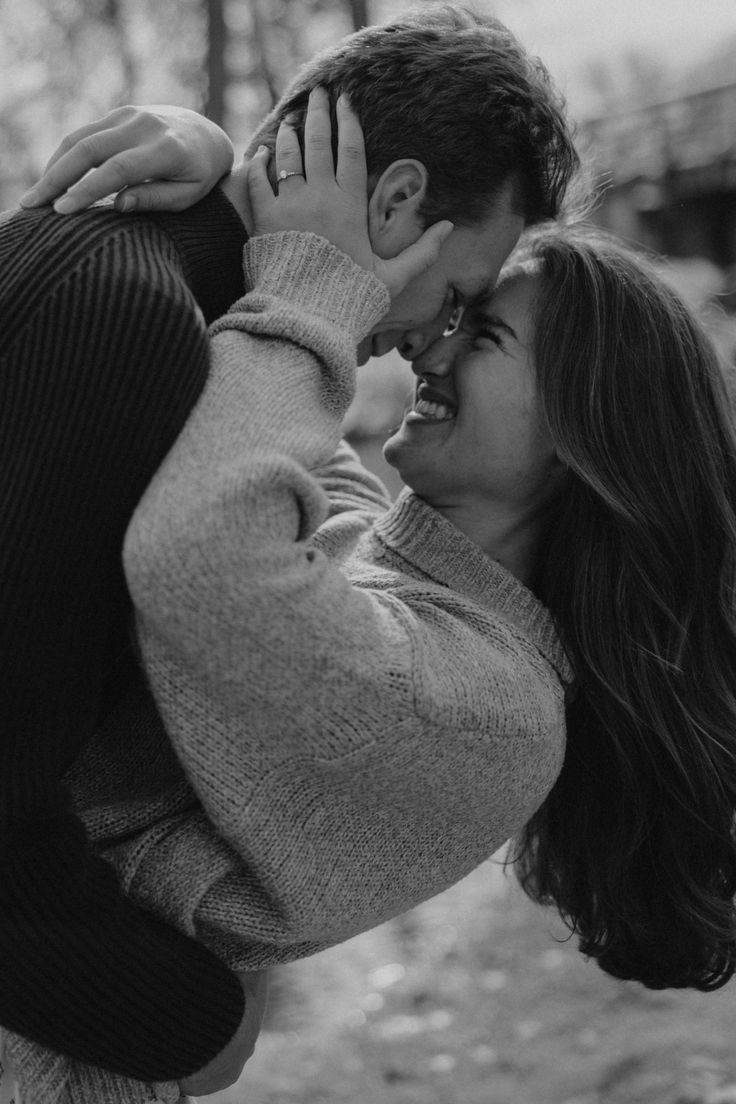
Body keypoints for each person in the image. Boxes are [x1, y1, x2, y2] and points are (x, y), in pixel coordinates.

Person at [10, 90, 736, 1104]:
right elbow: (265, 389)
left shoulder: (493, 710)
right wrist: (228, 178)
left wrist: (309, 280)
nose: (424, 347)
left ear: (589, 437)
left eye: (480, 337)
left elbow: (199, 553)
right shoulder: (395, 550)